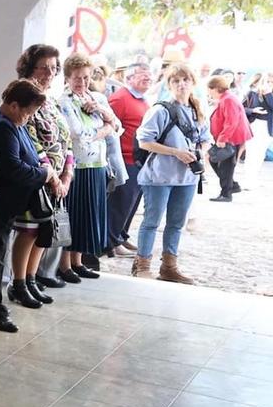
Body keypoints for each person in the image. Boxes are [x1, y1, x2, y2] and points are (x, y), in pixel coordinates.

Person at [0, 81, 54, 334]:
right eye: (27, 112)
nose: (28, 117)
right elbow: (13, 168)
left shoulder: (10, 121)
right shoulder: (2, 126)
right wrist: (43, 174)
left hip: (6, 203)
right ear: (13, 105)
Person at [132, 65, 210, 283]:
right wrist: (176, 152)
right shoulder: (160, 111)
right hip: (159, 176)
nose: (181, 84)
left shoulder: (198, 110)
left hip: (187, 177)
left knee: (176, 223)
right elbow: (144, 141)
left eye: (185, 80)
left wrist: (198, 153)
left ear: (193, 82)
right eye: (176, 81)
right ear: (169, 85)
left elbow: (207, 139)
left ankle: (169, 267)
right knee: (152, 221)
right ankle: (142, 265)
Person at [12, 45, 72, 308]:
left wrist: (67, 174)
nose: (50, 73)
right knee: (29, 231)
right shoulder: (25, 96)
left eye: (54, 68)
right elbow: (31, 142)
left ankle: (32, 279)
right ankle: (18, 283)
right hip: (38, 178)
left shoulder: (53, 101)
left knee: (44, 231)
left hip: (57, 180)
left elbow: (66, 140)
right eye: (44, 67)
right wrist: (52, 177)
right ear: (30, 68)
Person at [56, 54, 115, 280]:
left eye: (86, 77)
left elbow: (117, 124)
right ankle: (64, 265)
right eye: (77, 78)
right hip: (77, 166)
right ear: (68, 78)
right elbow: (78, 133)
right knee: (74, 214)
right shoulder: (64, 101)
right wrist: (104, 129)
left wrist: (101, 112)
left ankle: (78, 261)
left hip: (97, 163)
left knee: (88, 215)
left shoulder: (97, 97)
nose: (82, 82)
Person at [105, 62, 151, 258]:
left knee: (131, 203)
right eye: (142, 74)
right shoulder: (120, 98)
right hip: (124, 158)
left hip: (138, 159)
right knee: (120, 203)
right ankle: (111, 241)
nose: (148, 77)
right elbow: (110, 128)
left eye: (149, 74)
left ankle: (121, 235)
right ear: (129, 78)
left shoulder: (142, 99)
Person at [206, 74, 251, 202]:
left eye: (209, 89)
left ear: (215, 88)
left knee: (225, 165)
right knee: (218, 161)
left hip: (231, 137)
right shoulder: (226, 98)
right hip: (230, 137)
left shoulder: (228, 99)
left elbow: (232, 121)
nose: (208, 92)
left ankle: (226, 193)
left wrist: (222, 138)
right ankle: (232, 186)